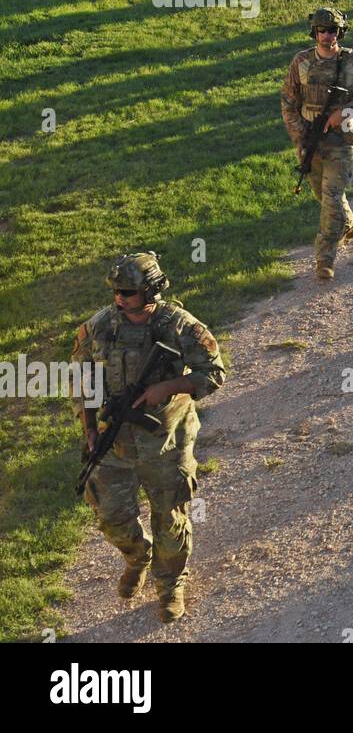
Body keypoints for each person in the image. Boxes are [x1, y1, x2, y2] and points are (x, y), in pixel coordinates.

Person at [74, 252, 227, 623]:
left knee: (170, 516)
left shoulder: (178, 325)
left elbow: (214, 372)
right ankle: (136, 556)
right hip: (116, 439)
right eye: (116, 291)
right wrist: (90, 427)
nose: (119, 298)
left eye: (127, 291)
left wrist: (171, 386)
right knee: (110, 515)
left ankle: (170, 584)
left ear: (150, 291)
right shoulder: (99, 327)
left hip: (166, 438)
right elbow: (82, 380)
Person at [280, 8, 353, 280]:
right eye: (322, 30)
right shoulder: (300, 62)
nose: (327, 36)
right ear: (314, 32)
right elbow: (289, 103)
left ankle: (324, 258)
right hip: (310, 140)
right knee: (323, 195)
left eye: (332, 30)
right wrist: (299, 137)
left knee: (332, 195)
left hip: (342, 139)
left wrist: (345, 112)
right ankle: (348, 223)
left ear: (341, 32)